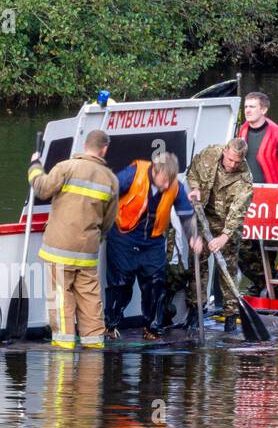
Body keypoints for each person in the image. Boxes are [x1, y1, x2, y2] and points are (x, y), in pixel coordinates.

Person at [27, 129, 120, 349]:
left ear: (84, 145)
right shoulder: (111, 180)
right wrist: (96, 238)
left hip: (59, 248)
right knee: (90, 299)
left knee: (61, 295)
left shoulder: (65, 167)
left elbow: (42, 189)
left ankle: (64, 347)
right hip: (88, 251)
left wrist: (34, 167)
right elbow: (109, 220)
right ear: (104, 149)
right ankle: (94, 345)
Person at [105, 151, 201, 340]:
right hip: (124, 236)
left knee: (155, 285)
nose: (166, 186)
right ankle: (111, 326)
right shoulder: (133, 174)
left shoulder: (174, 186)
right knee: (120, 285)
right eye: (163, 181)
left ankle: (152, 329)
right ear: (155, 171)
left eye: (170, 181)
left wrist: (193, 237)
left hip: (153, 240)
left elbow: (186, 212)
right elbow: (108, 191)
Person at [172, 138, 253, 331]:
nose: (232, 165)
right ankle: (195, 309)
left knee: (228, 268)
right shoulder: (209, 154)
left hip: (227, 225)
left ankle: (231, 315)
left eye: (237, 162)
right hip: (204, 216)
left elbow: (238, 211)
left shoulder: (245, 180)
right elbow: (192, 173)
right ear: (225, 151)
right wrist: (195, 189)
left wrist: (224, 236)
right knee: (197, 264)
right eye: (230, 159)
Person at [236, 91, 278, 295]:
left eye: (252, 106)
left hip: (270, 198)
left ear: (264, 109)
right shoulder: (241, 132)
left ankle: (267, 287)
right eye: (246, 106)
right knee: (242, 246)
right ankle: (264, 283)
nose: (248, 110)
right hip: (245, 197)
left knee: (265, 246)